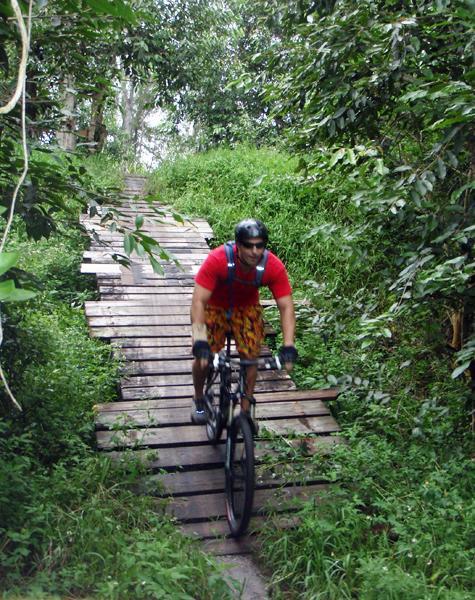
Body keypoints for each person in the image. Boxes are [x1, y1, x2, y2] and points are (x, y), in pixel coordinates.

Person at [190, 218, 298, 424]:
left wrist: (289, 344)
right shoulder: (217, 259)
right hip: (213, 307)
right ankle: (198, 398)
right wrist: (199, 340)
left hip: (246, 309)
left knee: (251, 356)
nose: (254, 251)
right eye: (249, 245)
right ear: (238, 245)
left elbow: (286, 307)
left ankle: (246, 410)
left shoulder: (272, 266)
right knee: (203, 357)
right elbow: (198, 301)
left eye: (260, 245)